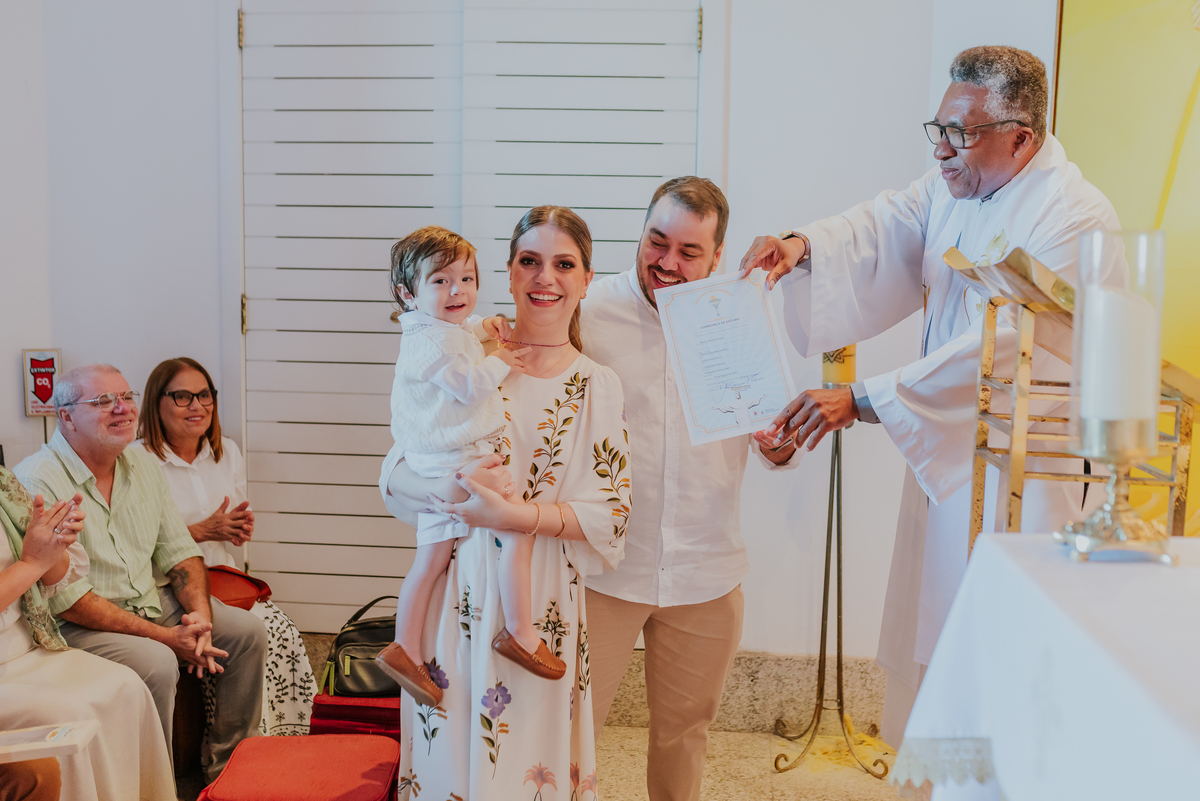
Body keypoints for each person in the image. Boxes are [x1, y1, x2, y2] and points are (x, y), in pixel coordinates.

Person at [739, 46, 1121, 744]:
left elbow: (1008, 343)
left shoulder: (1075, 218)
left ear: (1021, 137)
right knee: (936, 640)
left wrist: (863, 397)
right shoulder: (959, 182)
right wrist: (804, 245)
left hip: (1026, 474)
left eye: (961, 134)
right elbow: (888, 219)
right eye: (937, 129)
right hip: (952, 461)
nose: (942, 150)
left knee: (1004, 660)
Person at [494, 177, 799, 801]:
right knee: (568, 736)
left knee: (686, 734)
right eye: (656, 242)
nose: (667, 262)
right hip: (603, 570)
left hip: (707, 571)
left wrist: (779, 445)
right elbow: (522, 359)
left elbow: (773, 437)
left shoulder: (744, 317)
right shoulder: (587, 306)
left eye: (689, 252)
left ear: (717, 257)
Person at [380, 206, 631, 799]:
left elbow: (612, 511)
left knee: (526, 767)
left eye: (563, 264)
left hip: (537, 605)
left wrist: (510, 516)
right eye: (529, 261)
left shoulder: (598, 384)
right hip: (453, 590)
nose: (545, 277)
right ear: (511, 273)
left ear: (586, 279)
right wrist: (443, 492)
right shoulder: (461, 359)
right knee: (452, 758)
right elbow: (396, 470)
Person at [14, 364, 268, 783]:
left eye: (126, 397)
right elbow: (67, 598)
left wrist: (200, 619)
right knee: (155, 662)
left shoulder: (141, 465)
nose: (121, 409)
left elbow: (180, 554)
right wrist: (168, 639)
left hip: (150, 601)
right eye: (102, 401)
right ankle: (157, 784)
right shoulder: (38, 479)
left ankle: (226, 771)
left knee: (245, 633)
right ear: (66, 416)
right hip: (79, 624)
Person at [375, 225, 565, 711]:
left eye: (467, 279)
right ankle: (521, 633)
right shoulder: (431, 345)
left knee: (431, 561)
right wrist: (503, 359)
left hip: (436, 462)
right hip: (456, 464)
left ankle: (407, 649)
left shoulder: (434, 329)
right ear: (407, 293)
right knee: (518, 532)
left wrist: (488, 327)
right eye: (440, 281)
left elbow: (466, 330)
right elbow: (469, 385)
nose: (457, 291)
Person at [134, 356, 319, 736]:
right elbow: (134, 545)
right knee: (252, 634)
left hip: (222, 578)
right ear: (157, 403)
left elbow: (228, 520)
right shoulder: (136, 461)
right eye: (182, 397)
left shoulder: (225, 452)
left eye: (204, 395)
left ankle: (282, 735)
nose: (197, 406)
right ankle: (233, 750)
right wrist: (200, 531)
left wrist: (235, 528)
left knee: (282, 631)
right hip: (167, 586)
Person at [0, 466, 175, 801]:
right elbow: (32, 566)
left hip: (28, 642)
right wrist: (32, 563)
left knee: (126, 686)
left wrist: (55, 543)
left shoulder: (3, 484)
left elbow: (55, 577)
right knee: (71, 715)